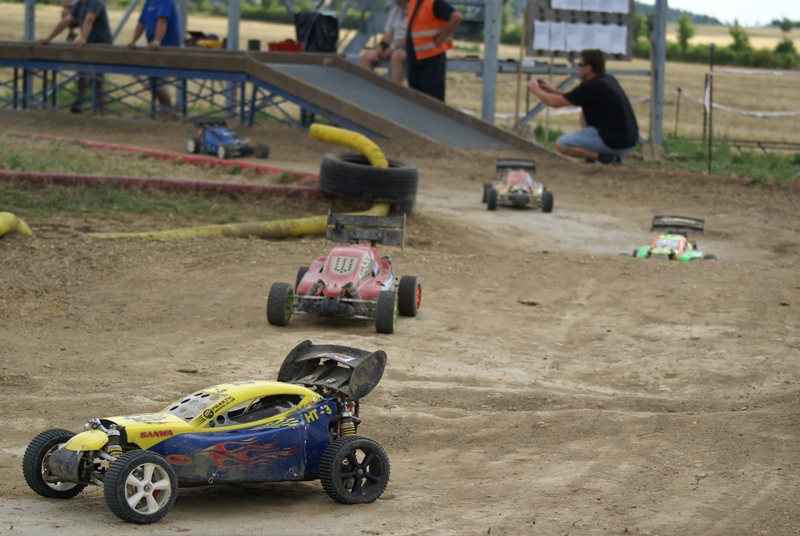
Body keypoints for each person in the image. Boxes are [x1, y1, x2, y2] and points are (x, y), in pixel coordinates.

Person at [526, 49, 639, 164]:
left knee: (562, 144)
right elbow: (575, 97)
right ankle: (591, 158)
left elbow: (554, 103)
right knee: (584, 110)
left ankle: (606, 158)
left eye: (580, 64)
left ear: (588, 68)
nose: (577, 67)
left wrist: (535, 89)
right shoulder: (607, 80)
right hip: (628, 141)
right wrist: (552, 90)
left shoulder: (592, 86)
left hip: (614, 143)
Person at [40, 0, 113, 114]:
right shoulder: (80, 4)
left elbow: (89, 19)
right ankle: (80, 103)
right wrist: (49, 38)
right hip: (89, 45)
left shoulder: (95, 2)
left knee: (97, 81)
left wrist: (83, 38)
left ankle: (101, 114)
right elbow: (66, 20)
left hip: (101, 45)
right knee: (85, 75)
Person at [126, 0, 181, 110]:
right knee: (155, 83)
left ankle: (169, 113)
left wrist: (156, 41)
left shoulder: (165, 1)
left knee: (159, 84)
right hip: (155, 49)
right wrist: (133, 41)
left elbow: (162, 20)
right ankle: (166, 111)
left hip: (167, 48)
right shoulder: (148, 2)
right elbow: (141, 23)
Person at [404, 0, 461, 101]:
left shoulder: (433, 2)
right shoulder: (413, 2)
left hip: (431, 61)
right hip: (415, 61)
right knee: (416, 103)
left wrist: (442, 37)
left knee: (433, 102)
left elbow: (456, 17)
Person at [361, 0, 409, 84]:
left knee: (397, 56)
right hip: (392, 46)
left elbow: (413, 37)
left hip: (407, 47)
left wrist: (393, 48)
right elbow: (388, 33)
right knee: (367, 56)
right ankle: (370, 87)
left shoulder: (415, 11)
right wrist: (381, 47)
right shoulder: (395, 11)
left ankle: (395, 88)